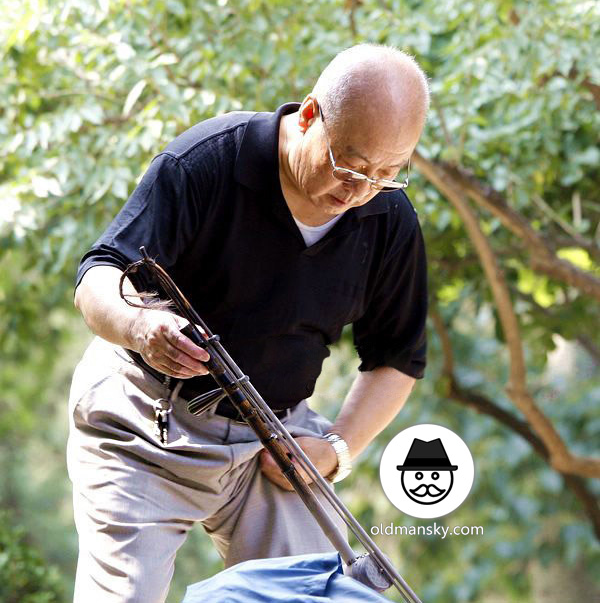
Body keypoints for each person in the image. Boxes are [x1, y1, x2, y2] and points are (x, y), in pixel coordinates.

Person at [68, 43, 429, 603]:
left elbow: (397, 359)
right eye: (348, 166)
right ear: (310, 115)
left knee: (313, 596)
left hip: (270, 442)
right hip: (142, 426)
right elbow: (98, 276)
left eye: (387, 173)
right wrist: (140, 326)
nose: (360, 191)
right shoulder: (209, 161)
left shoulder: (386, 218)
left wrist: (336, 447)